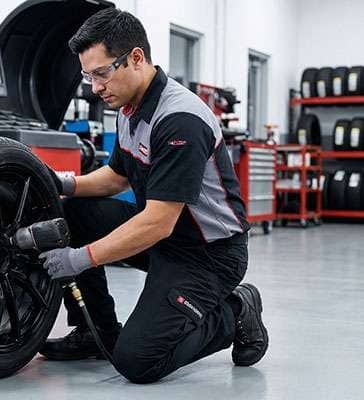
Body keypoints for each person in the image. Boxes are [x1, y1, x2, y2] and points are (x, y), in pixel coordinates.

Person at [38, 8, 268, 384]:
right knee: (73, 212)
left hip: (208, 255)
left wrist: (80, 259)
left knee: (138, 361)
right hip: (165, 237)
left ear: (136, 58)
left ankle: (236, 309)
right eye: (88, 75)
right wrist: (64, 184)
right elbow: (115, 177)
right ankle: (93, 331)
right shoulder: (127, 108)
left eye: (101, 73)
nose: (95, 87)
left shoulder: (180, 120)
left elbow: (158, 221)